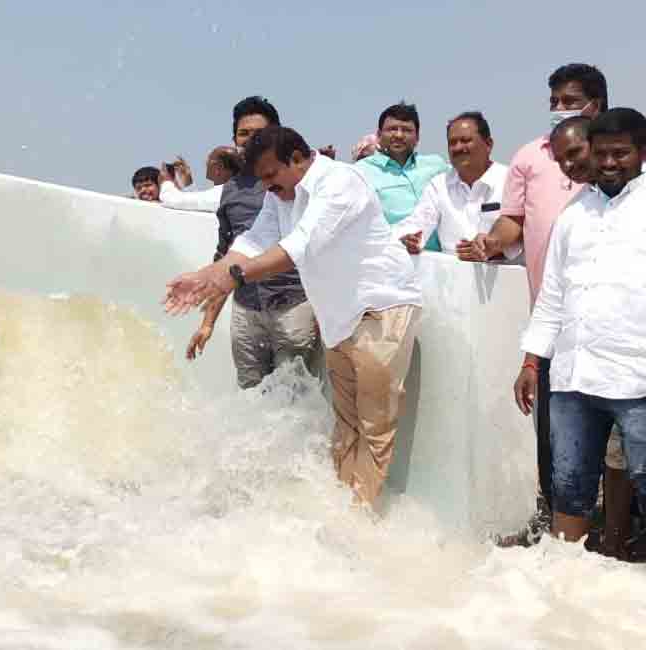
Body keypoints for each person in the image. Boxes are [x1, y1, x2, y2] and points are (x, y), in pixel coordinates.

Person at [165, 126, 421, 507]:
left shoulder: (338, 182)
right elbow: (253, 242)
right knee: (346, 425)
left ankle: (361, 519)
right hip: (338, 319)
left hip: (380, 308)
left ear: (298, 159)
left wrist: (230, 278)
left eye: (271, 176)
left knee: (374, 426)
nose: (268, 188)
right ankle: (340, 511)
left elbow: (297, 246)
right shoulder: (279, 194)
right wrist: (207, 275)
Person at [468, 63, 608, 538]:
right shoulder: (529, 156)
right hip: (551, 319)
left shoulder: (619, 156)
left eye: (569, 101)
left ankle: (617, 528)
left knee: (623, 434)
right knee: (553, 433)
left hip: (615, 320)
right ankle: (553, 524)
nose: (558, 109)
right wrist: (491, 242)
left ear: (597, 106)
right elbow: (513, 223)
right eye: (554, 101)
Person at [514, 108, 646, 547]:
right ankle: (565, 591)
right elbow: (553, 294)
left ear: (641, 153)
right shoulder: (574, 214)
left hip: (637, 378)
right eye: (602, 153)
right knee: (569, 489)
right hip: (574, 377)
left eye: (621, 154)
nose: (609, 163)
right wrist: (532, 360)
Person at [186, 98, 318, 392]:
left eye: (260, 132)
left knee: (292, 401)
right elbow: (226, 254)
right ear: (234, 138)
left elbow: (310, 248)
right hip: (246, 310)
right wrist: (208, 322)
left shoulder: (296, 182)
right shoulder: (230, 191)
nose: (252, 139)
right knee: (251, 401)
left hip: (292, 305)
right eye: (244, 133)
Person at [395, 112, 508, 258]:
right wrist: (409, 238)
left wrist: (493, 247)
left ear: (488, 144)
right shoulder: (439, 185)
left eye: (465, 140)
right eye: (452, 142)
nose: (458, 148)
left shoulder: (510, 180)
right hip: (453, 276)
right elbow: (418, 223)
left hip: (507, 276)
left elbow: (525, 232)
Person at [357, 103, 451, 251]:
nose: (399, 135)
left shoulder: (437, 165)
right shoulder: (360, 172)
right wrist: (396, 239)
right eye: (392, 129)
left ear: (417, 137)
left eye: (407, 130)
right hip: (391, 260)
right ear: (379, 135)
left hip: (442, 263)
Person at [156, 146, 238, 212]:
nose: (206, 163)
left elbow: (174, 200)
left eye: (209, 160)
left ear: (218, 168)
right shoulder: (234, 189)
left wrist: (165, 182)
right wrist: (188, 182)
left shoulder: (225, 193)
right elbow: (195, 202)